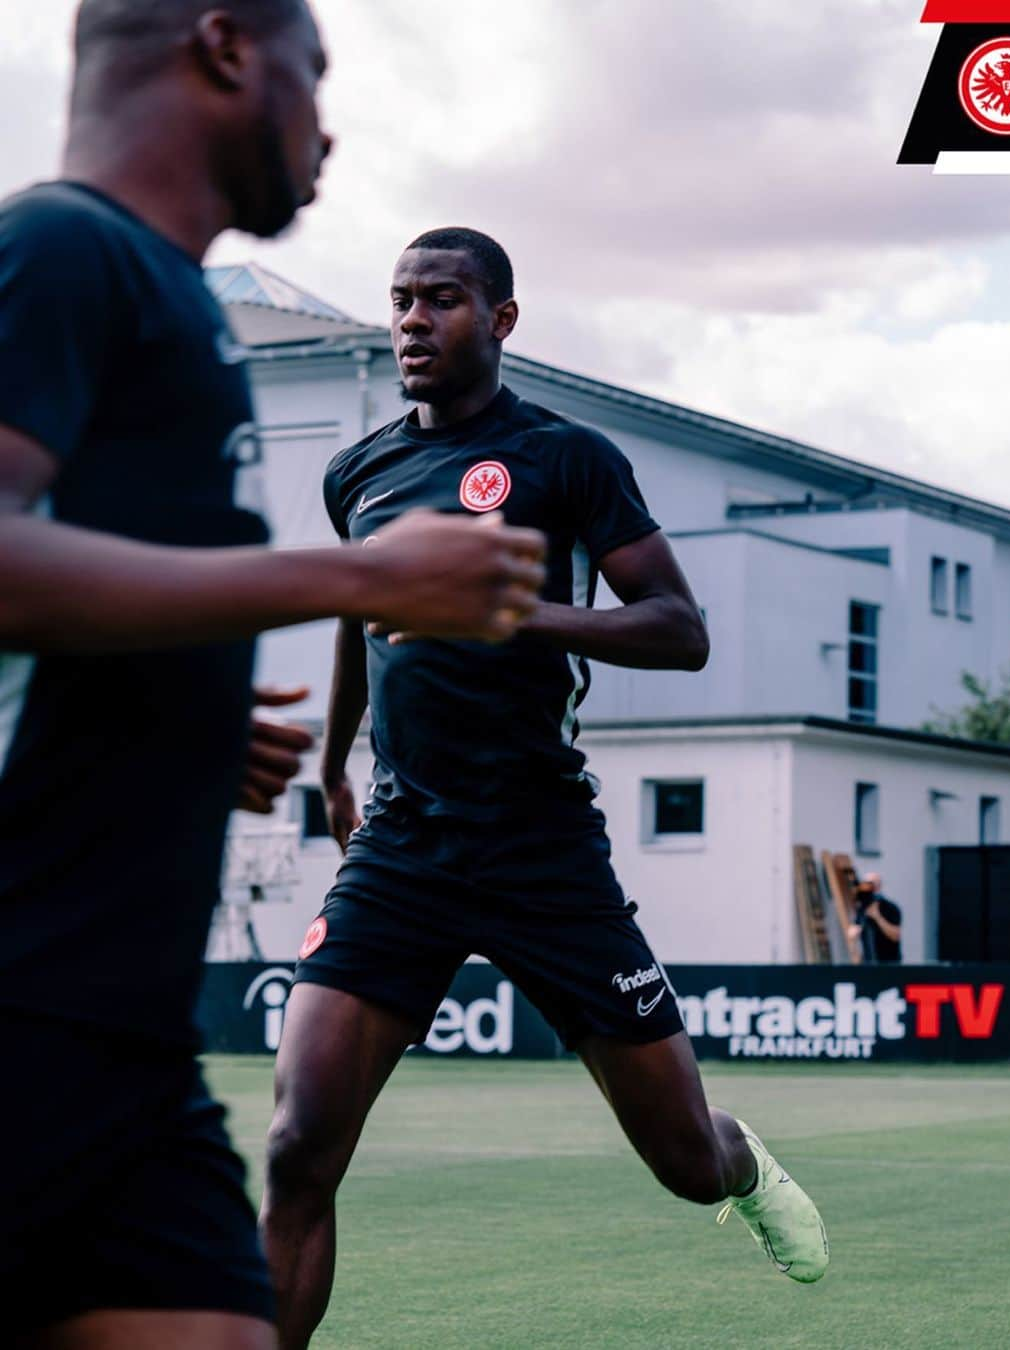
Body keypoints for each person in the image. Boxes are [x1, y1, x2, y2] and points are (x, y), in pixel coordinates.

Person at [0, 6, 546, 1346]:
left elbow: (70, 591)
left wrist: (175, 712)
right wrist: (354, 578)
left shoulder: (178, 301)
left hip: (125, 1039)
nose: (328, 124)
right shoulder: (59, 250)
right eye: (318, 73)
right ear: (228, 45)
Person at [259, 228, 829, 1349]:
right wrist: (332, 763)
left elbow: (681, 630)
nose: (415, 322)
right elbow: (354, 614)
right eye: (402, 301)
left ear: (502, 319)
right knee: (295, 1147)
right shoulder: (358, 472)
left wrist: (514, 615)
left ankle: (743, 1162)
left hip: (544, 851)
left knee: (683, 1168)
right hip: (404, 847)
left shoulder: (567, 460)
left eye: (444, 301)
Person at [849, 874, 903, 963]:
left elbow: (896, 936)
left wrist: (877, 916)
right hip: (868, 964)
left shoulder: (890, 908)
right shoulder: (863, 909)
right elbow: (854, 930)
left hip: (889, 964)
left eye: (872, 884)